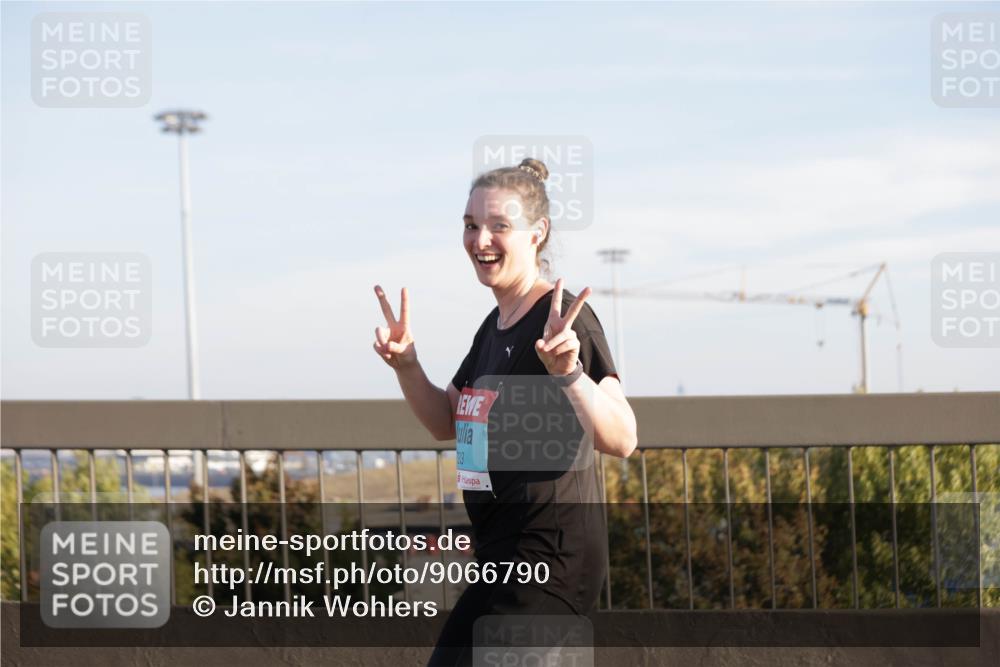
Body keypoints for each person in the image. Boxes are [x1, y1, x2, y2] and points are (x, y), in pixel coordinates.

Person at [372, 158, 638, 666]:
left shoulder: (561, 323)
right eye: (472, 226)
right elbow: (443, 421)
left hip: (550, 559)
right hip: (501, 558)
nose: (481, 240)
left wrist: (569, 374)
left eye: (499, 226)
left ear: (537, 233)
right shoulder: (493, 329)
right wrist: (406, 364)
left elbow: (622, 437)